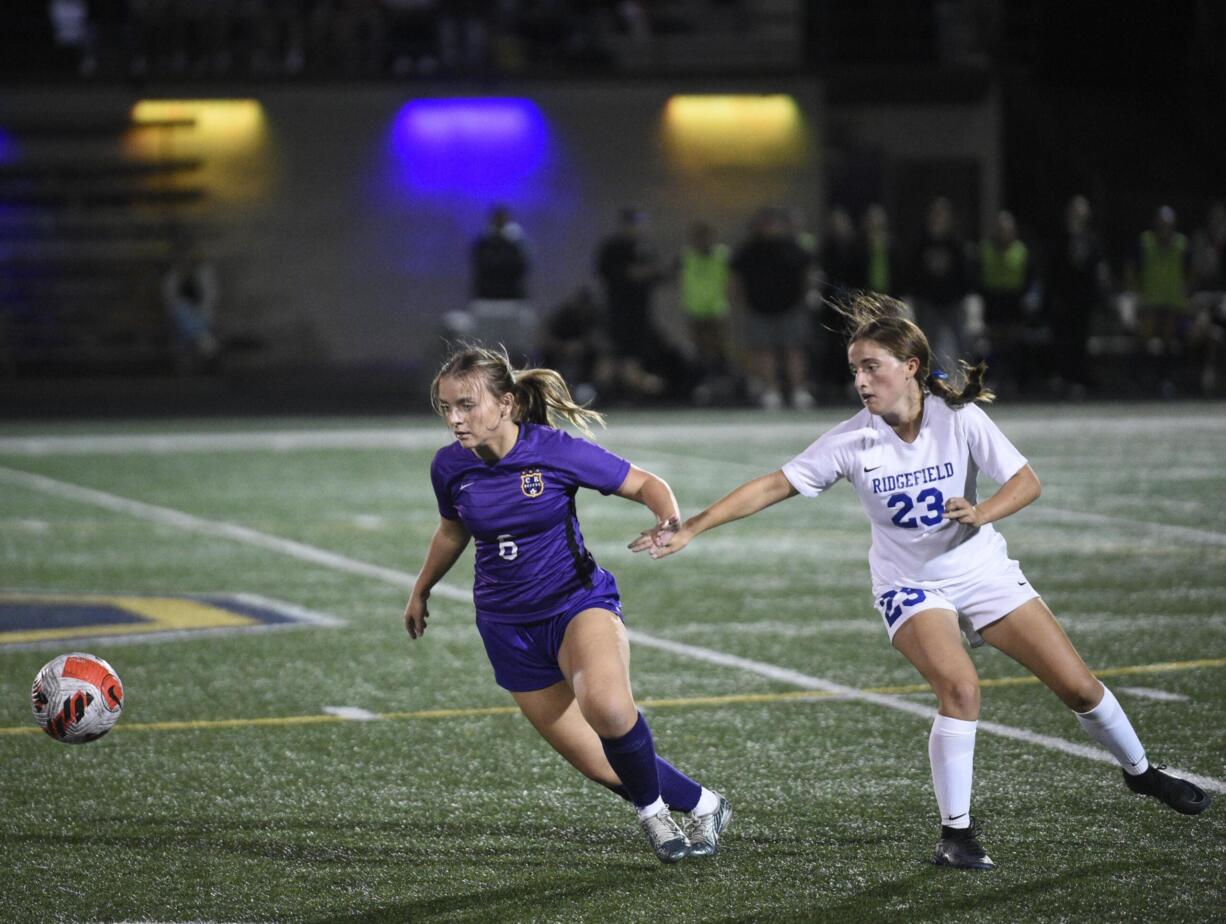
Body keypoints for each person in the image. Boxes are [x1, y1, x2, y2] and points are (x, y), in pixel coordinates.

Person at [633, 294, 1212, 870]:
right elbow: (772, 485)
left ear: (910, 367)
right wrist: (695, 527)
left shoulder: (959, 418)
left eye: (872, 367)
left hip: (981, 571)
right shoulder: (851, 441)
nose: (861, 381)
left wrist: (983, 514)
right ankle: (955, 834)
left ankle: (1142, 773)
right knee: (959, 690)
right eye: (855, 370)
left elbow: (1026, 482)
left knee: (1080, 689)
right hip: (910, 585)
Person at [404, 345, 731, 863]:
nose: (454, 419)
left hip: (576, 604)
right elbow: (452, 530)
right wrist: (421, 588)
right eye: (446, 408)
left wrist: (669, 521)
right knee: (599, 764)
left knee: (608, 708)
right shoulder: (448, 467)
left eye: (466, 405)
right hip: (505, 626)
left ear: (507, 403)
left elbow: (647, 484)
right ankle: (705, 803)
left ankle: (653, 816)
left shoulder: (553, 450)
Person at [730, 206, 814, 410]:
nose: (769, 228)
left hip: (790, 307)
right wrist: (738, 303)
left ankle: (798, 390)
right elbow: (736, 279)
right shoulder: (748, 250)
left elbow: (808, 274)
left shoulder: (793, 247)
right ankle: (771, 390)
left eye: (772, 223)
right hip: (759, 308)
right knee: (765, 351)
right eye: (765, 224)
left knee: (794, 350)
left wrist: (807, 298)